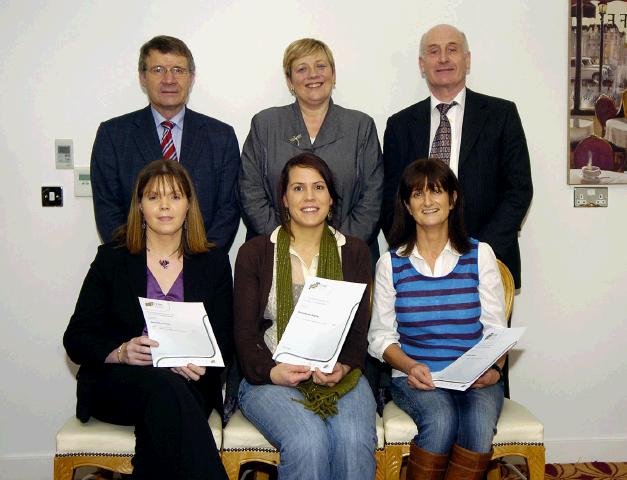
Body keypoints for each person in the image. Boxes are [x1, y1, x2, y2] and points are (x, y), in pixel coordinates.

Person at [64, 159, 232, 480]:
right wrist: (121, 351)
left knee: (166, 406)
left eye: (175, 196)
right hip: (119, 383)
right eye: (154, 197)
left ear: (188, 205)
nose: (165, 206)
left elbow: (223, 341)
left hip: (189, 383)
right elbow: (76, 338)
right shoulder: (112, 258)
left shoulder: (214, 263)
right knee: (165, 390)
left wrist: (201, 362)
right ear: (140, 206)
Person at [234, 153, 377, 480]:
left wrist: (342, 367)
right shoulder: (255, 253)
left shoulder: (354, 252)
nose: (309, 197)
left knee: (353, 440)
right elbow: (244, 335)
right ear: (284, 198)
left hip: (340, 375)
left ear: (331, 198)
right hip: (269, 377)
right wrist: (274, 372)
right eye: (298, 188)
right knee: (308, 439)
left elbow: (358, 333)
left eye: (319, 187)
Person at [368, 158, 507, 479]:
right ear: (407, 204)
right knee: (442, 420)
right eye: (417, 194)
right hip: (415, 377)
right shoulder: (391, 264)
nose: (428, 201)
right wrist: (409, 366)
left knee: (478, 425)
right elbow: (380, 338)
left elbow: (496, 330)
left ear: (453, 198)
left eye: (436, 191)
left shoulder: (480, 254)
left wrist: (495, 369)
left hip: (476, 379)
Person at [381, 24, 532, 288]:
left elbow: (518, 190)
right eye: (433, 51)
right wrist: (410, 253)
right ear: (422, 64)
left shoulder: (501, 115)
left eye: (452, 49)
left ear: (467, 59)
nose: (443, 58)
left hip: (488, 263)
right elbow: (390, 198)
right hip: (416, 267)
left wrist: (479, 253)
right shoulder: (399, 125)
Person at [91, 35, 240, 250]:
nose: (169, 79)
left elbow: (228, 210)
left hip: (203, 268)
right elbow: (108, 210)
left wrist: (202, 261)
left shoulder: (221, 136)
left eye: (179, 70)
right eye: (158, 70)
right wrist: (142, 263)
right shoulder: (113, 135)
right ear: (143, 77)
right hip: (134, 268)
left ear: (191, 77)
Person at [239, 37, 383, 259]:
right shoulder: (265, 124)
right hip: (275, 253)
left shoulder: (360, 126)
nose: (313, 75)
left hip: (347, 255)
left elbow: (372, 196)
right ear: (289, 81)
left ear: (333, 75)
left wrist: (336, 246)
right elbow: (251, 190)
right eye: (302, 69)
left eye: (321, 66)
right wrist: (288, 243)